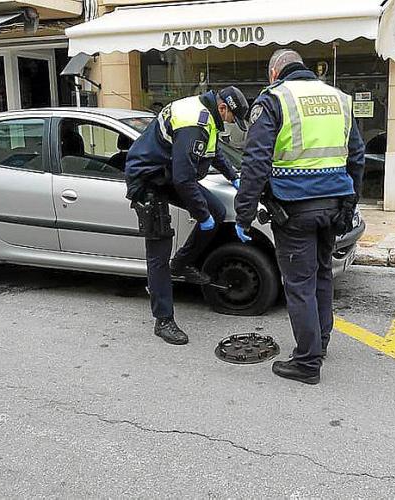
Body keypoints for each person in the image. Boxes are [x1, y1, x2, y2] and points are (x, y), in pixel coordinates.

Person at [234, 49, 365, 384]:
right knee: (322, 275)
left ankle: (307, 362)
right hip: (333, 206)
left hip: (294, 209)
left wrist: (244, 214)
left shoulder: (274, 99)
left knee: (299, 285)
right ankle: (320, 342)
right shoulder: (339, 99)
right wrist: (350, 205)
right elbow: (357, 156)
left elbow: (256, 161)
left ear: (274, 72)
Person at [125, 87, 249, 345]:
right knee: (159, 250)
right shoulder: (195, 122)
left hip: (168, 173)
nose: (230, 123)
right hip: (148, 179)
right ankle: (163, 320)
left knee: (217, 211)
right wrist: (201, 215)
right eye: (231, 118)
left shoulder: (207, 115)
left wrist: (233, 176)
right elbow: (184, 179)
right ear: (223, 108)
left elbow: (213, 152)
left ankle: (182, 263)